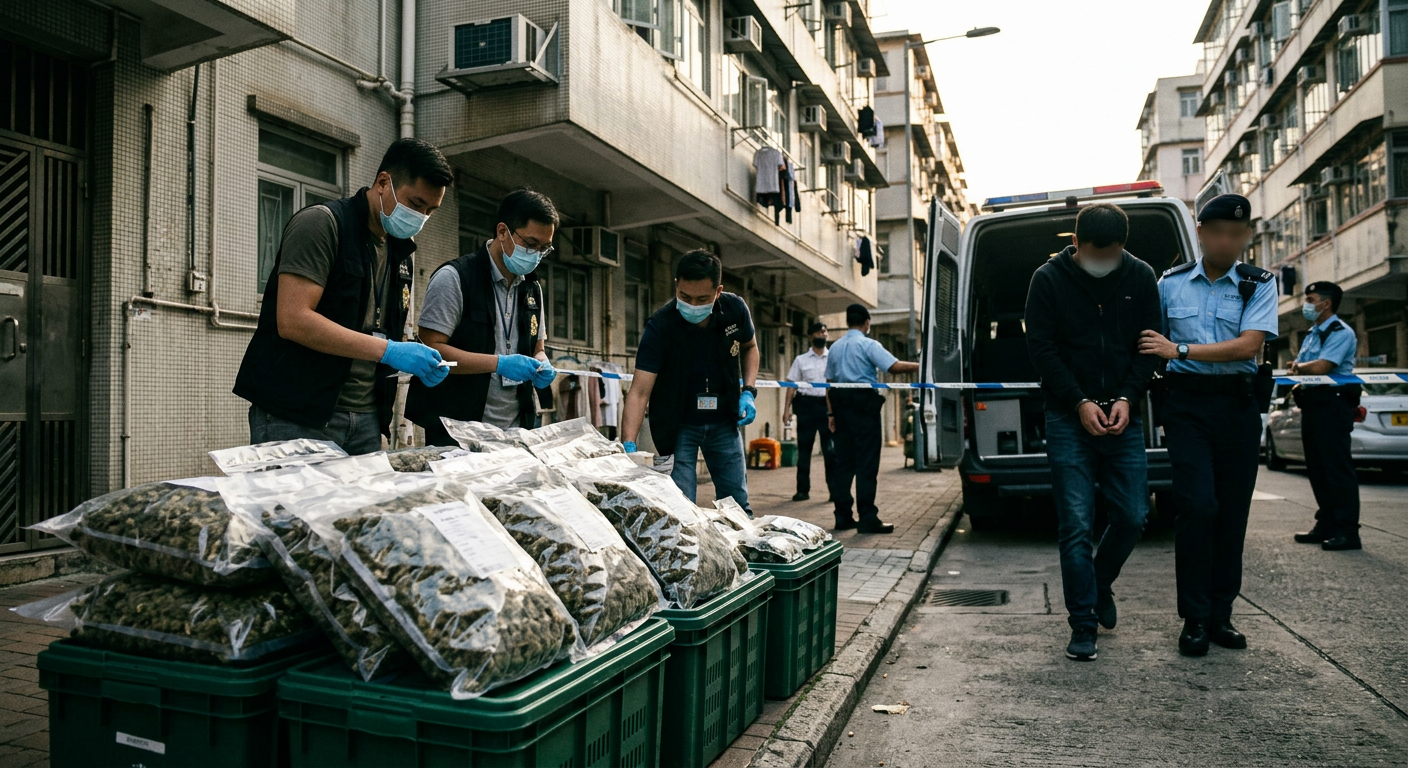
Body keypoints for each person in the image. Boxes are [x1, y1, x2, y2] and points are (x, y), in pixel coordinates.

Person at [234, 138, 453, 454]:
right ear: (382, 183)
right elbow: (293, 320)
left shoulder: (399, 251)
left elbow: (374, 325)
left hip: (365, 418)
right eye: (416, 204)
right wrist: (388, 350)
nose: (421, 217)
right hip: (296, 415)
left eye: (431, 211)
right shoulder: (322, 224)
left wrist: (416, 357)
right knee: (292, 504)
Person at [1138, 193, 1277, 657]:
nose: (1227, 241)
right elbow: (1145, 342)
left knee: (1232, 513)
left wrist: (1178, 351)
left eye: (1237, 234)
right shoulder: (1170, 284)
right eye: (1218, 232)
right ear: (1200, 233)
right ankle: (1194, 619)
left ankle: (1221, 616)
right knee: (1197, 507)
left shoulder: (1259, 283)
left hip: (1237, 407)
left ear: (1247, 236)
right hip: (1188, 407)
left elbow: (1247, 347)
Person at [1025, 203, 1161, 662]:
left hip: (1124, 414)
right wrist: (1078, 401)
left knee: (1132, 516)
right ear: (1076, 243)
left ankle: (1099, 583)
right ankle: (1082, 623)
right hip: (1068, 416)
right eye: (1095, 252)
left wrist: (1127, 396)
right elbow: (1042, 350)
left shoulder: (1140, 276)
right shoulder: (1048, 280)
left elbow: (1150, 347)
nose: (1105, 260)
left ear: (1124, 246)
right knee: (1076, 525)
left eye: (1114, 252)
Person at [405, 189, 559, 445]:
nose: (536, 255)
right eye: (531, 245)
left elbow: (538, 348)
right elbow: (431, 351)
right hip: (458, 431)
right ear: (502, 231)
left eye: (544, 249)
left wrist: (543, 363)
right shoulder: (455, 278)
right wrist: (498, 363)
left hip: (516, 432)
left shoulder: (533, 288)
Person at [621, 250, 760, 513]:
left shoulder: (734, 310)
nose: (693, 305)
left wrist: (749, 391)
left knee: (738, 507)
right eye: (685, 297)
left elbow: (750, 346)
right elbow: (639, 392)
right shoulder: (660, 327)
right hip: (678, 425)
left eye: (702, 298)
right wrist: (628, 445)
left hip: (724, 421)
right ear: (676, 285)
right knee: (682, 509)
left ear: (718, 291)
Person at [825, 304, 920, 533]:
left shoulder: (835, 347)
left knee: (844, 465)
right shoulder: (868, 344)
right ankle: (867, 518)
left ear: (848, 322)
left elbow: (828, 384)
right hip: (863, 409)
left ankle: (843, 516)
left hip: (841, 407)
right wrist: (922, 366)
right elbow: (893, 367)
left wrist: (830, 414)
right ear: (867, 323)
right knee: (866, 464)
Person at [1289, 281, 1362, 551]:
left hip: (1332, 406)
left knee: (1336, 470)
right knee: (1318, 470)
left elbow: (1322, 366)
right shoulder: (1313, 333)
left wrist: (1299, 369)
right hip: (1313, 406)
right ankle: (1327, 523)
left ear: (1326, 303)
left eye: (1311, 299)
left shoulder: (1339, 332)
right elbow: (1307, 368)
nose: (1307, 304)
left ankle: (1348, 531)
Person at [784, 322, 836, 503]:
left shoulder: (833, 358)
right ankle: (802, 491)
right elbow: (791, 386)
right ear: (810, 337)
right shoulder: (801, 360)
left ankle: (834, 491)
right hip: (806, 407)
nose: (823, 334)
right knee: (804, 451)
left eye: (825, 331)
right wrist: (786, 410)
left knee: (830, 452)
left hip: (827, 407)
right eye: (819, 332)